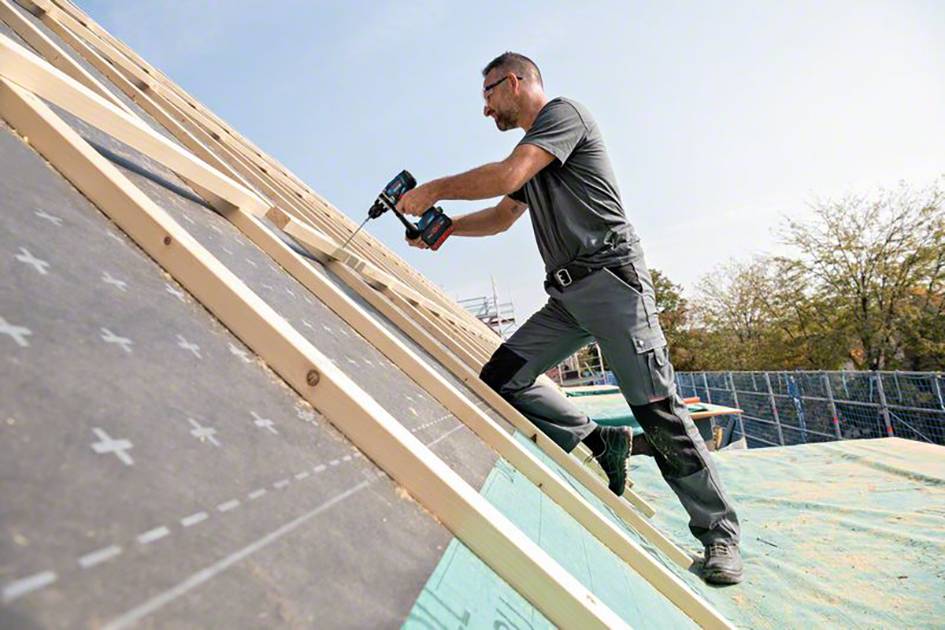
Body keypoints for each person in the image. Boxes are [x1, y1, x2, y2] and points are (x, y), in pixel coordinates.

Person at [396, 52, 743, 585]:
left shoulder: (564, 116)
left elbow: (508, 174)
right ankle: (601, 440)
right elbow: (500, 217)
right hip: (567, 299)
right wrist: (444, 232)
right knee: (502, 379)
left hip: (613, 286)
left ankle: (719, 534)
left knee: (658, 410)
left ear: (514, 81)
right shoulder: (531, 160)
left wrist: (435, 190)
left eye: (489, 94)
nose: (485, 109)